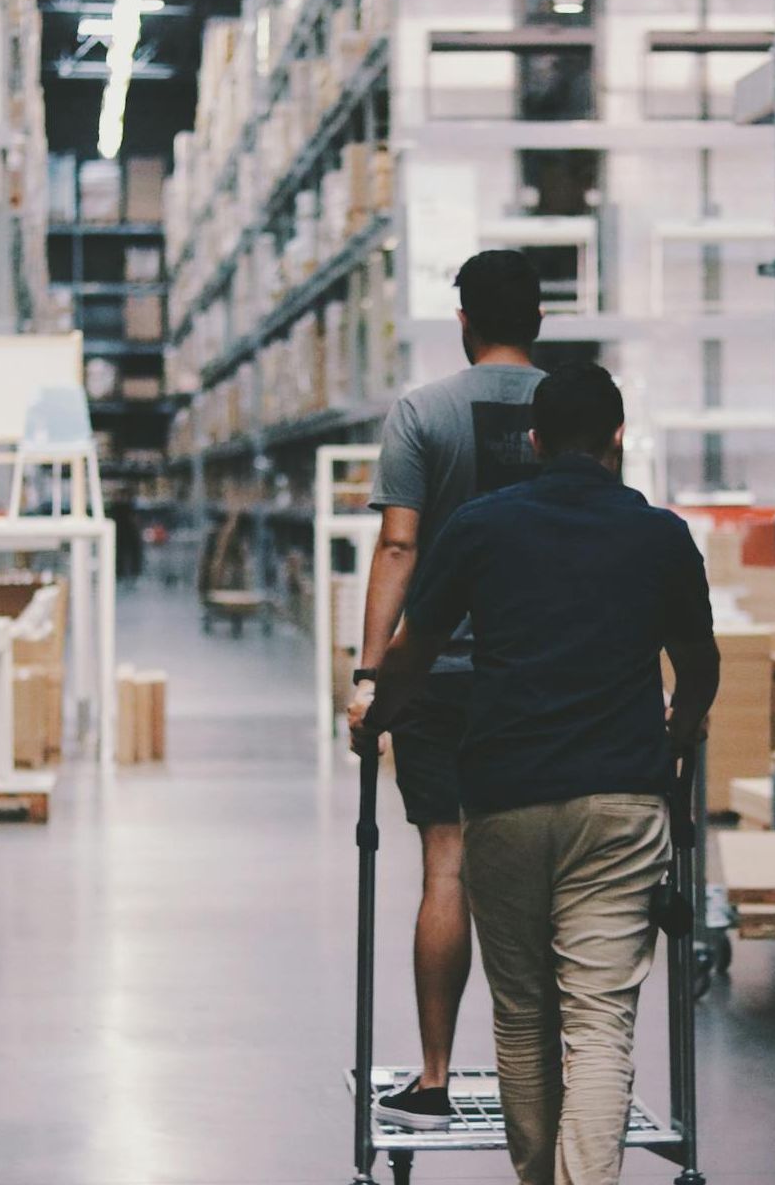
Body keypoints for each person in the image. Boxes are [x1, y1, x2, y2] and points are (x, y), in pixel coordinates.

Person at [354, 364, 721, 1184]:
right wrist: (676, 731)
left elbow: (413, 652)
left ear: (534, 440)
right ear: (618, 436)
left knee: (523, 1019)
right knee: (600, 1024)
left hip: (505, 797)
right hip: (623, 801)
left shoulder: (480, 528)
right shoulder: (661, 535)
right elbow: (699, 668)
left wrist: (376, 712)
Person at [346, 249, 549, 1130]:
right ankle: (543, 1075)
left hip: (439, 677)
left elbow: (399, 545)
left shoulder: (422, 412)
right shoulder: (574, 408)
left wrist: (370, 676)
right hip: (541, 679)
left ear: (462, 320)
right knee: (542, 869)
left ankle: (433, 1082)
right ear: (539, 319)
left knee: (447, 864)